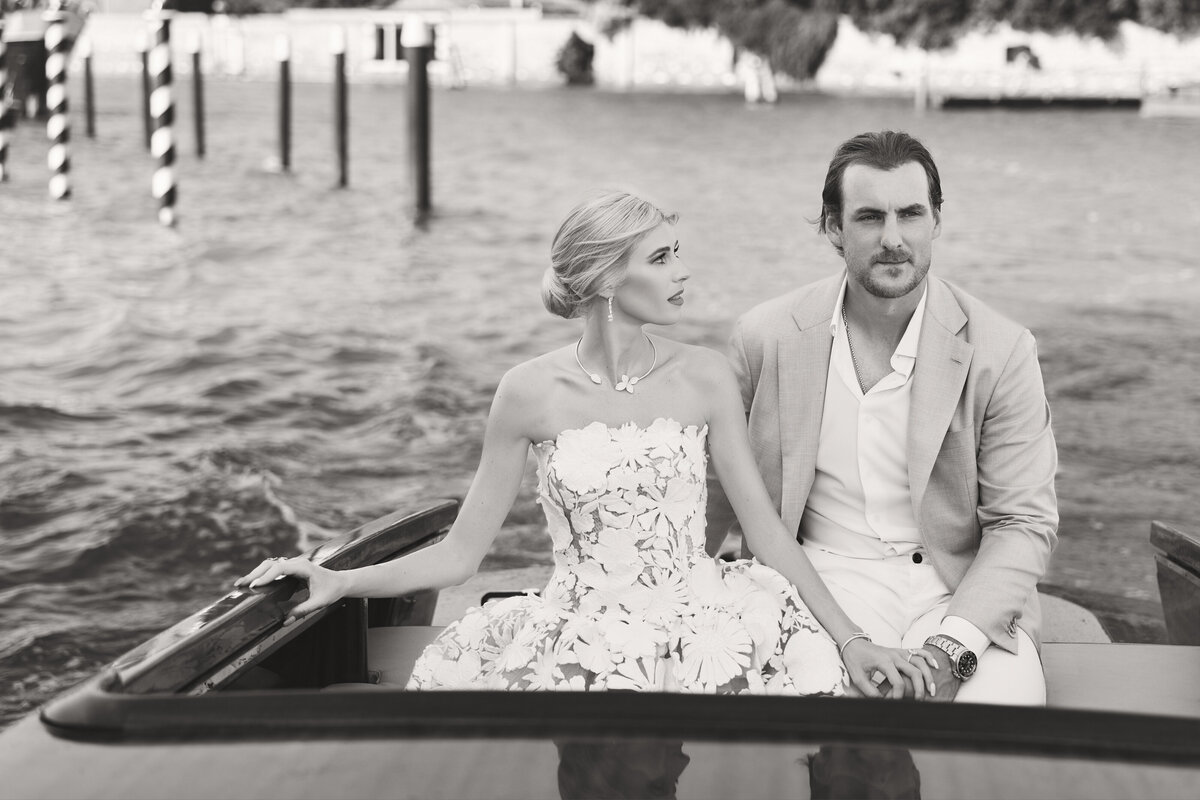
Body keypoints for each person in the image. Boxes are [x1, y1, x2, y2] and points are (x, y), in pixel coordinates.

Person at [235, 189, 937, 699]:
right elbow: (460, 556)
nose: (682, 273)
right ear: (606, 279)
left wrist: (853, 640)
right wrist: (338, 580)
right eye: (661, 258)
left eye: (678, 254)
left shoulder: (706, 376)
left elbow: (769, 537)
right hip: (579, 629)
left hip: (705, 620)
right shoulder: (527, 392)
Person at [711, 131, 1057, 704]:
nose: (894, 239)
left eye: (911, 215)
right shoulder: (763, 338)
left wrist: (953, 649)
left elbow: (1023, 524)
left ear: (936, 220)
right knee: (806, 735)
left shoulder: (1003, 349)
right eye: (870, 217)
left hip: (959, 591)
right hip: (817, 587)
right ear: (833, 227)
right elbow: (718, 496)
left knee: (996, 733)